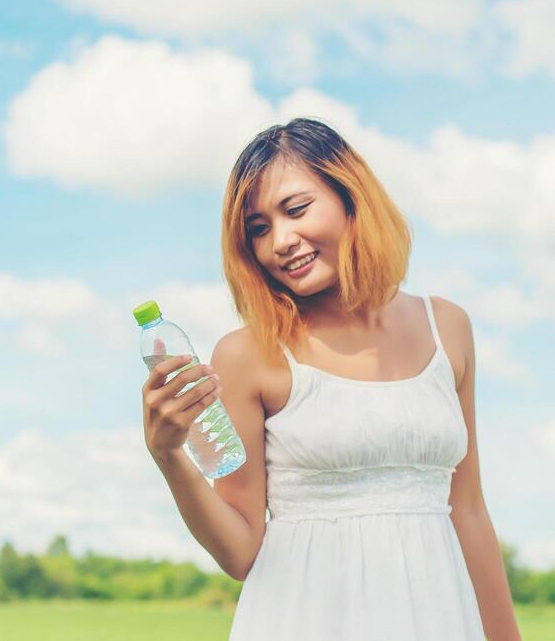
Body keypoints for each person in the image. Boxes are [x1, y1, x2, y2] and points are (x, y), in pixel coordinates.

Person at [141, 117, 521, 640]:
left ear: (350, 197)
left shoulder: (448, 328)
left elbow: (470, 511)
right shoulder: (246, 354)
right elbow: (240, 549)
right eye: (259, 229)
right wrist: (170, 456)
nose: (281, 241)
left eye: (296, 210)